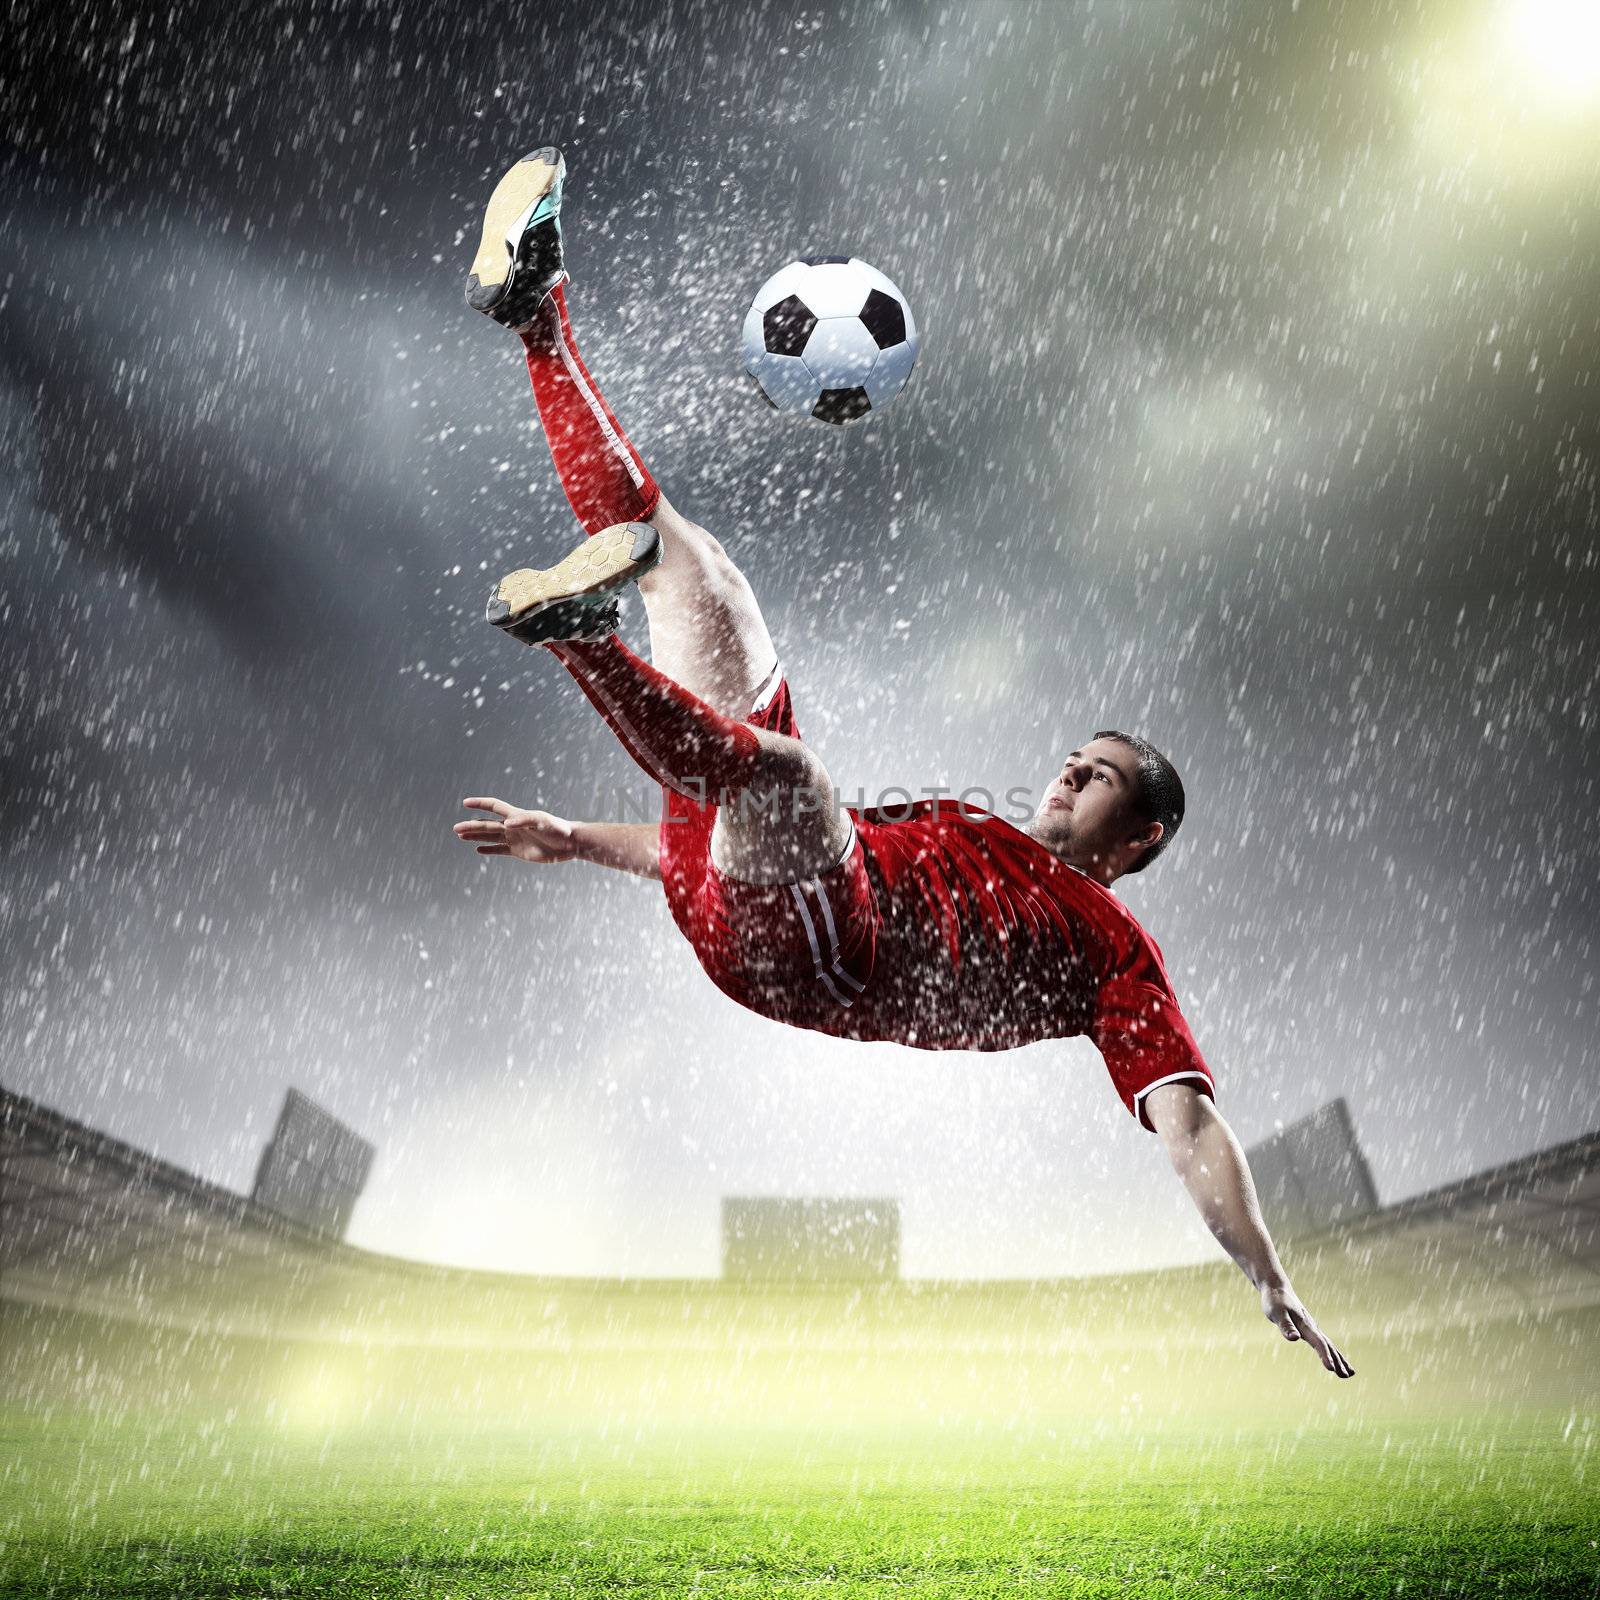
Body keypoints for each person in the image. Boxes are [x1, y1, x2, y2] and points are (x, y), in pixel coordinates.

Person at [452, 147, 1353, 1379]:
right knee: (694, 570)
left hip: (823, 957)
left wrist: (1267, 1270)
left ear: (1135, 839)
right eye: (1069, 757)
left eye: (1093, 779)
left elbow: (1190, 1124)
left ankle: (582, 642)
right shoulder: (961, 828)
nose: (1061, 777)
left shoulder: (1111, 952)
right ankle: (537, 319)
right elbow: (732, 842)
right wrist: (572, 839)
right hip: (744, 886)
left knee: (791, 779)